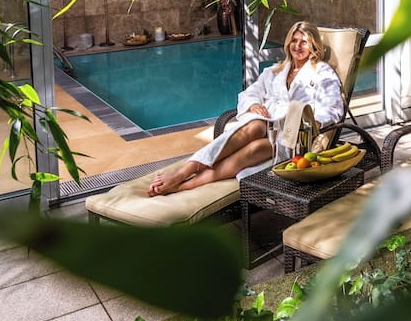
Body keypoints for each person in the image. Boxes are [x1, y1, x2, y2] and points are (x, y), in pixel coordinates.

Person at [147, 21, 345, 195]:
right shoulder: (275, 71)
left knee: (257, 147)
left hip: (293, 133)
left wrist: (315, 121)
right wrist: (253, 104)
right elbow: (249, 93)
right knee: (256, 126)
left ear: (313, 46)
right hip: (267, 124)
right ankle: (183, 173)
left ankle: (185, 185)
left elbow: (333, 107)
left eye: (304, 42)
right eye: (294, 40)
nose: (297, 46)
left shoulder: (322, 72)